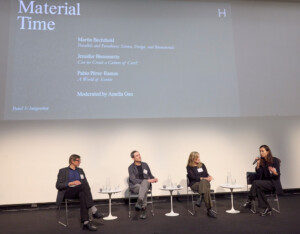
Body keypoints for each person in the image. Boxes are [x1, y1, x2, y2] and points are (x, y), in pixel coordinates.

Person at [56, 154, 103, 231]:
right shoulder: (63, 171)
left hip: (79, 191)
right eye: (78, 160)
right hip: (68, 192)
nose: (80, 162)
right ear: (72, 161)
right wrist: (72, 183)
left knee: (82, 194)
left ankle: (86, 223)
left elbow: (86, 183)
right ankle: (94, 210)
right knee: (83, 186)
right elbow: (58, 185)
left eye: (80, 160)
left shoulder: (80, 170)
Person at [242, 145, 283, 216]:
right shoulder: (262, 161)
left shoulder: (274, 160)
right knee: (258, 189)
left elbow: (278, 174)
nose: (261, 153)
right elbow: (259, 174)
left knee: (255, 183)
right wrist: (258, 164)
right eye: (260, 151)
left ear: (268, 151)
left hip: (273, 183)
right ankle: (267, 209)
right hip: (265, 183)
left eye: (262, 151)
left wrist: (274, 172)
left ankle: (249, 200)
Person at [128, 150, 158, 219]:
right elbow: (133, 180)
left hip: (145, 185)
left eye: (139, 154)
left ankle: (139, 202)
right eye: (137, 155)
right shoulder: (130, 167)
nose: (139, 156)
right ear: (133, 158)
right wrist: (147, 181)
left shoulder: (145, 164)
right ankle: (143, 209)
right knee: (144, 185)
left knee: (144, 185)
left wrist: (154, 179)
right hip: (135, 186)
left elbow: (150, 175)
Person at [186, 151, 216, 218]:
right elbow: (192, 177)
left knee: (204, 182)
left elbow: (206, 174)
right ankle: (209, 210)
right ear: (192, 158)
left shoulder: (202, 165)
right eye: (197, 158)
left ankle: (200, 197)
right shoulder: (189, 167)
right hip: (194, 185)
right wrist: (203, 178)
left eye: (199, 157)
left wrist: (209, 177)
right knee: (205, 187)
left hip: (204, 184)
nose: (199, 159)